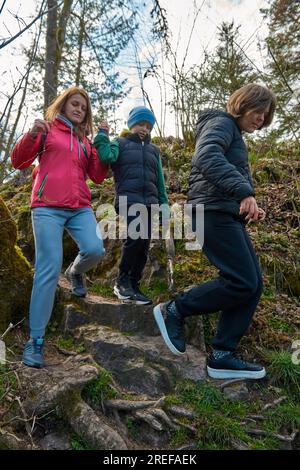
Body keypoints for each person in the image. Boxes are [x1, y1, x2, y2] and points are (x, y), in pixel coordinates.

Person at [153, 83, 277, 379]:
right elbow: (206, 157)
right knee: (242, 281)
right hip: (209, 212)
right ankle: (175, 310)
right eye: (259, 111)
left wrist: (246, 202)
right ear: (244, 103)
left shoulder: (234, 134)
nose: (261, 118)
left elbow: (223, 172)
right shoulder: (221, 122)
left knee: (253, 284)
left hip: (223, 211)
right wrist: (244, 190)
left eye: (266, 115)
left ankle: (222, 354)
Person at [11, 86, 108, 368]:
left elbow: (98, 176)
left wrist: (101, 141)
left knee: (95, 249)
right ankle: (36, 340)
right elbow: (19, 162)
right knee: (47, 269)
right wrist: (30, 135)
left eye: (83, 108)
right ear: (64, 105)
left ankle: (75, 271)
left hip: (79, 206)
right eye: (74, 104)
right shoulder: (46, 130)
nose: (79, 109)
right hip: (47, 206)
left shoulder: (85, 141)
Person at [94, 106, 169, 305]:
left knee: (144, 245)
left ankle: (134, 285)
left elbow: (160, 181)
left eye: (147, 126)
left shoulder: (154, 151)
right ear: (131, 125)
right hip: (129, 200)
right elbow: (106, 157)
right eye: (139, 124)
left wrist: (164, 206)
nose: (144, 129)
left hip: (151, 203)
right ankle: (121, 282)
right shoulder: (121, 143)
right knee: (135, 238)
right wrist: (102, 136)